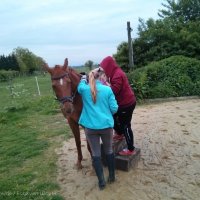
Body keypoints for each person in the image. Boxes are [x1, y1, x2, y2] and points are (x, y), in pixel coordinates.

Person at [78, 68, 118, 190]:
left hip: (90, 128)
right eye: (105, 76)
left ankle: (101, 182)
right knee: (109, 151)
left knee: (95, 154)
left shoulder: (84, 89)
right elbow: (114, 108)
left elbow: (80, 86)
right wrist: (106, 112)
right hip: (106, 126)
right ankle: (111, 177)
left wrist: (85, 77)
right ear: (102, 77)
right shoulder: (107, 90)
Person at [100, 56, 137, 156]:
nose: (103, 70)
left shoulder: (117, 75)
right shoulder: (114, 72)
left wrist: (104, 83)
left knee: (126, 126)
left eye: (104, 68)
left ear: (109, 66)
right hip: (123, 103)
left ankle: (130, 148)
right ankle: (120, 134)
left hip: (127, 104)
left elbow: (113, 91)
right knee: (112, 116)